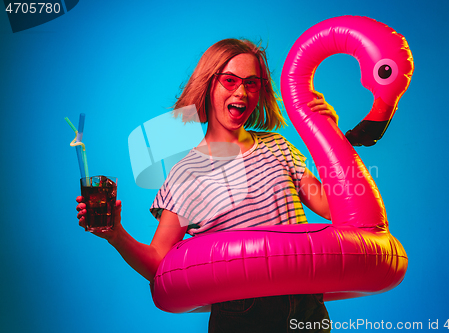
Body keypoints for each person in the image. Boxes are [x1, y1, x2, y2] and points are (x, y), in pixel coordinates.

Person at [76, 38, 338, 333]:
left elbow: (333, 207)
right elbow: (159, 264)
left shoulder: (278, 146)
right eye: (230, 80)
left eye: (252, 83)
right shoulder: (185, 174)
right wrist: (115, 234)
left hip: (306, 305)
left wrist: (327, 134)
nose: (242, 92)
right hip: (243, 312)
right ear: (208, 84)